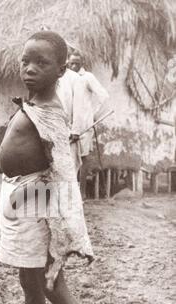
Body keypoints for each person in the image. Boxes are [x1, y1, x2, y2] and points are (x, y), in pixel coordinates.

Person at [0, 31, 120, 304]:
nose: (29, 69)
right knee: (29, 280)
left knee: (52, 283)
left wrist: (66, 234)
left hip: (40, 202)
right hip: (21, 198)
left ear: (61, 70)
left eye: (41, 63)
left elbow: (63, 173)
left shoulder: (51, 115)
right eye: (25, 61)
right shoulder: (35, 106)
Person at [68, 51, 110, 198]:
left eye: (76, 64)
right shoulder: (66, 78)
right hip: (70, 126)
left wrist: (93, 113)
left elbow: (103, 95)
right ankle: (70, 194)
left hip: (84, 126)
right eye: (71, 63)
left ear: (81, 64)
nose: (73, 66)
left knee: (83, 158)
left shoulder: (87, 78)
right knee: (70, 159)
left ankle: (82, 193)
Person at [56, 64, 85, 176]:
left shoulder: (74, 78)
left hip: (67, 131)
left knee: (68, 170)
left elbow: (78, 106)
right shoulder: (47, 74)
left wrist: (75, 130)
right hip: (49, 129)